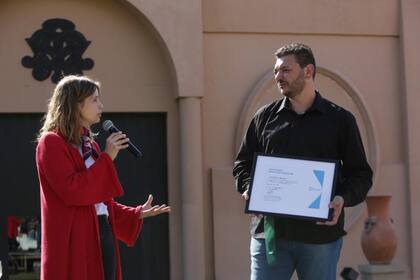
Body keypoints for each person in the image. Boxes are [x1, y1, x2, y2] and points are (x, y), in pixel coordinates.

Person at [233, 43, 373, 280]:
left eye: (285, 70)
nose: (278, 76)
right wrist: (249, 188)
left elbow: (360, 175)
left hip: (319, 240)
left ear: (308, 71)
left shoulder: (340, 120)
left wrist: (342, 199)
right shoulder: (264, 118)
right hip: (270, 236)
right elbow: (242, 166)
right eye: (276, 71)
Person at [35, 75, 171, 280]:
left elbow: (98, 202)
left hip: (101, 234)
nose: (101, 105)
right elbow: (73, 191)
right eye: (94, 99)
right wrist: (107, 158)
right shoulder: (51, 143)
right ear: (76, 104)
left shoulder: (91, 145)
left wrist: (135, 213)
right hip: (73, 240)